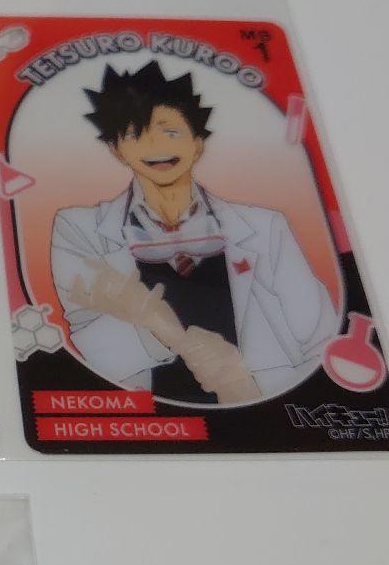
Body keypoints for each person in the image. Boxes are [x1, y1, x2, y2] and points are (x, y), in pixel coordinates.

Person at [50, 60, 338, 402]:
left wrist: (247, 384)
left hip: (260, 407)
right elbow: (91, 347)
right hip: (155, 419)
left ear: (198, 143)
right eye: (136, 134)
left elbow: (317, 336)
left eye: (170, 131)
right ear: (117, 150)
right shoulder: (81, 229)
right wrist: (163, 333)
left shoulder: (266, 227)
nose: (156, 146)